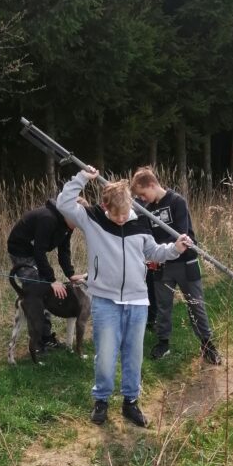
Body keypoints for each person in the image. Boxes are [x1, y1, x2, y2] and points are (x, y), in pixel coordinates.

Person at [57, 168, 193, 427]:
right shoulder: (92, 219)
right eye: (115, 214)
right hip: (105, 300)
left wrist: (174, 249)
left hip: (137, 301)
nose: (120, 219)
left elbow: (153, 252)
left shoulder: (140, 221)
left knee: (133, 354)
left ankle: (130, 402)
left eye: (124, 213)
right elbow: (64, 203)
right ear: (105, 207)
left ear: (130, 205)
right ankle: (101, 400)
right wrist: (82, 178)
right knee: (105, 354)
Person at [130, 168, 222, 364]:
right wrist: (153, 254)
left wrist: (161, 249)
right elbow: (147, 236)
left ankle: (207, 344)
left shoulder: (177, 201)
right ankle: (163, 342)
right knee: (163, 306)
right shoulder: (146, 209)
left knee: (195, 304)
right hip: (161, 266)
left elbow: (181, 233)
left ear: (152, 185)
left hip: (185, 262)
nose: (142, 199)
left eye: (143, 194)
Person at [7, 198, 86, 349]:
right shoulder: (48, 219)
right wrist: (51, 280)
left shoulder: (68, 224)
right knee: (37, 291)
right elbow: (39, 251)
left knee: (45, 290)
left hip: (34, 252)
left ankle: (45, 337)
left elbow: (64, 251)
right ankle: (38, 341)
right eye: (78, 219)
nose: (79, 224)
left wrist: (70, 274)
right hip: (20, 251)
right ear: (69, 212)